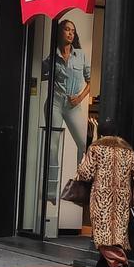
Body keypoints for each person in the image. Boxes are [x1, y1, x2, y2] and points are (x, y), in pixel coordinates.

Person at [76, 118, 134, 267]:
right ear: (116, 133)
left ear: (100, 133)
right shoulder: (127, 151)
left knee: (103, 238)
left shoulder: (96, 149)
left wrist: (82, 162)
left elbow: (85, 174)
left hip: (102, 199)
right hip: (122, 200)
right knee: (114, 237)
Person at [43, 19, 92, 167]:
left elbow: (90, 82)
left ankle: (80, 182)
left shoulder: (81, 55)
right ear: (60, 32)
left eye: (73, 31)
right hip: (55, 103)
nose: (70, 33)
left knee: (84, 144)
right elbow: (39, 74)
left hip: (73, 106)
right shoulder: (52, 57)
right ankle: (51, 188)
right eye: (67, 29)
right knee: (52, 147)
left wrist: (80, 98)